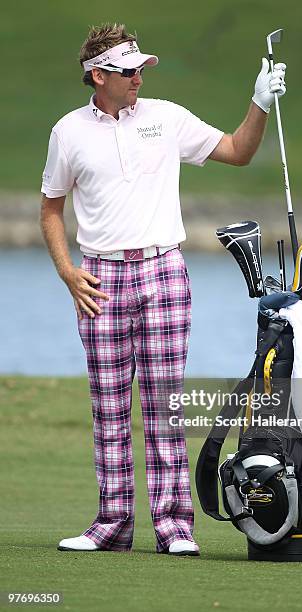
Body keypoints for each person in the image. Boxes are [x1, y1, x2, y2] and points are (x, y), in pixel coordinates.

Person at [40, 23, 286, 556]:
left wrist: (258, 101)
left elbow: (238, 151)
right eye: (129, 72)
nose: (138, 79)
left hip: (163, 271)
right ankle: (113, 524)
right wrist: (67, 271)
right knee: (108, 405)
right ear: (98, 76)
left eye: (141, 70)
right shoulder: (68, 131)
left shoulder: (166, 118)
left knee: (162, 404)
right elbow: (52, 208)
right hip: (99, 279)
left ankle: (175, 526)